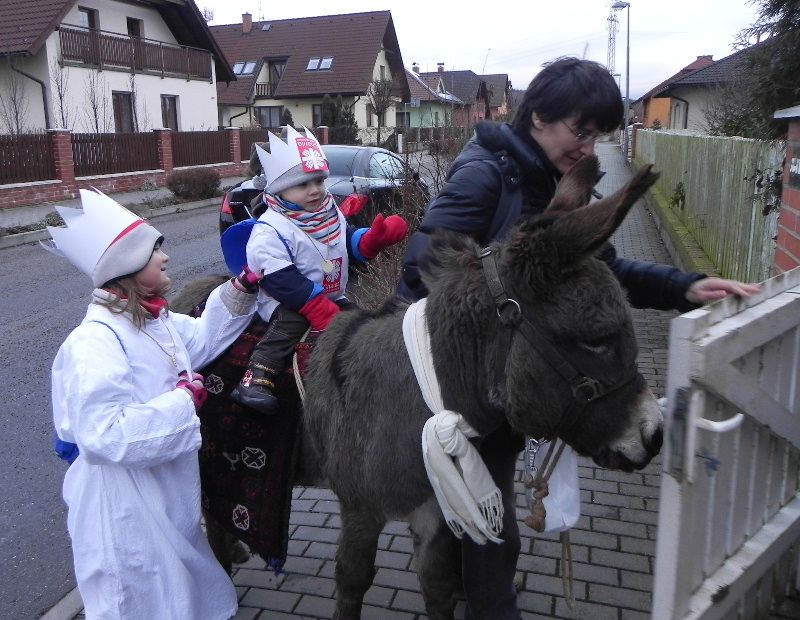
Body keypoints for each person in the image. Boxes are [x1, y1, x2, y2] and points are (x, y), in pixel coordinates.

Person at [399, 56, 760, 620]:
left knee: (470, 525)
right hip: (463, 389)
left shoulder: (551, 182)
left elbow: (603, 269)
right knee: (493, 537)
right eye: (581, 131)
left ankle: (456, 584)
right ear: (539, 116)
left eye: (600, 137)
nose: (590, 149)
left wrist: (686, 288)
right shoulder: (487, 175)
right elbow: (418, 272)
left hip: (509, 385)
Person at [46, 189, 261, 620]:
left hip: (160, 494)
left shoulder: (152, 320)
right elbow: (103, 434)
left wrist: (240, 288)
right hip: (124, 507)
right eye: (152, 250)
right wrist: (183, 402)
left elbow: (201, 336)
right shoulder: (95, 341)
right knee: (140, 596)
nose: (165, 256)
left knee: (178, 591)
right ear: (126, 269)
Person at [223, 126, 408, 413]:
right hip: (288, 300)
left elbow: (344, 239)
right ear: (278, 189)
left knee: (360, 322)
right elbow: (279, 278)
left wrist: (370, 240)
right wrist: (314, 305)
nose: (315, 190)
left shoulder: (327, 211)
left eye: (319, 180)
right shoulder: (271, 228)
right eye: (303, 184)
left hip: (331, 296)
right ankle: (257, 376)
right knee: (289, 325)